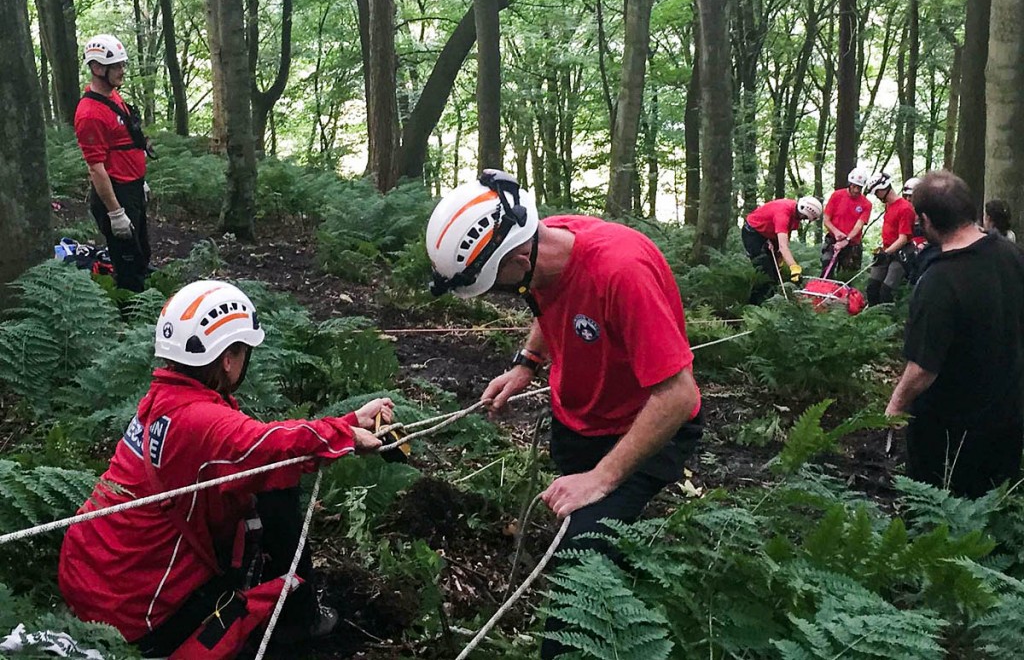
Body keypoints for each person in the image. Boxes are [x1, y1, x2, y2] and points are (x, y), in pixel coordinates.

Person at [425, 170, 703, 659]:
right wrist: (526, 364)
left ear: (516, 258)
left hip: (644, 428)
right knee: (591, 540)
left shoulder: (621, 271)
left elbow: (678, 394)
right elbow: (544, 299)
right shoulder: (543, 245)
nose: (499, 297)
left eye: (496, 287)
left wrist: (600, 479)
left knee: (580, 561)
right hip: (579, 418)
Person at [58, 280, 393, 656]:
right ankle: (295, 623)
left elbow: (253, 445)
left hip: (92, 577)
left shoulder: (166, 400)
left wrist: (346, 424)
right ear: (229, 359)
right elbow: (269, 448)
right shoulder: (201, 422)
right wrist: (344, 435)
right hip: (136, 612)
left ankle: (292, 613)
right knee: (272, 495)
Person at [886, 171, 1024, 498]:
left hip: (951, 432)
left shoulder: (938, 282)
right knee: (993, 513)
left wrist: (895, 406)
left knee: (937, 518)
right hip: (1009, 416)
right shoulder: (1011, 254)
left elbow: (922, 369)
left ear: (926, 220)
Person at [74, 34, 154, 292]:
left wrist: (141, 181)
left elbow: (125, 145)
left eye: (122, 65)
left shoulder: (114, 98)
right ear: (97, 68)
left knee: (142, 254)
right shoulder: (89, 114)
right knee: (128, 264)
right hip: (116, 194)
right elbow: (96, 168)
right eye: (116, 66)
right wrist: (115, 213)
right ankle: (130, 319)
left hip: (132, 188)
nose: (122, 71)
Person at [741, 195, 823, 304]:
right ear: (804, 212)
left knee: (775, 273)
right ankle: (755, 307)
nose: (805, 220)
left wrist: (779, 255)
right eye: (805, 218)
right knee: (764, 272)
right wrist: (794, 267)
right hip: (753, 232)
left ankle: (770, 303)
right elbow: (783, 246)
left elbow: (785, 236)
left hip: (768, 235)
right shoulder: (783, 214)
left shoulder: (795, 215)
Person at [865, 172, 915, 305]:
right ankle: (872, 319)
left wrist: (886, 253)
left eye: (876, 193)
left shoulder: (905, 208)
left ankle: (888, 320)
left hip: (900, 254)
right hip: (887, 250)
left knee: (886, 290)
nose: (876, 197)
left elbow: (903, 238)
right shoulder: (888, 205)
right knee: (872, 287)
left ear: (882, 189)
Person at [821, 166, 873, 274]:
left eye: (859, 187)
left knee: (848, 274)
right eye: (854, 186)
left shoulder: (866, 204)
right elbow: (826, 219)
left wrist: (847, 239)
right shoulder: (837, 196)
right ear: (850, 184)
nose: (856, 190)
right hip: (833, 239)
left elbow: (859, 225)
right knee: (827, 264)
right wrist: (836, 232)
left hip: (852, 243)